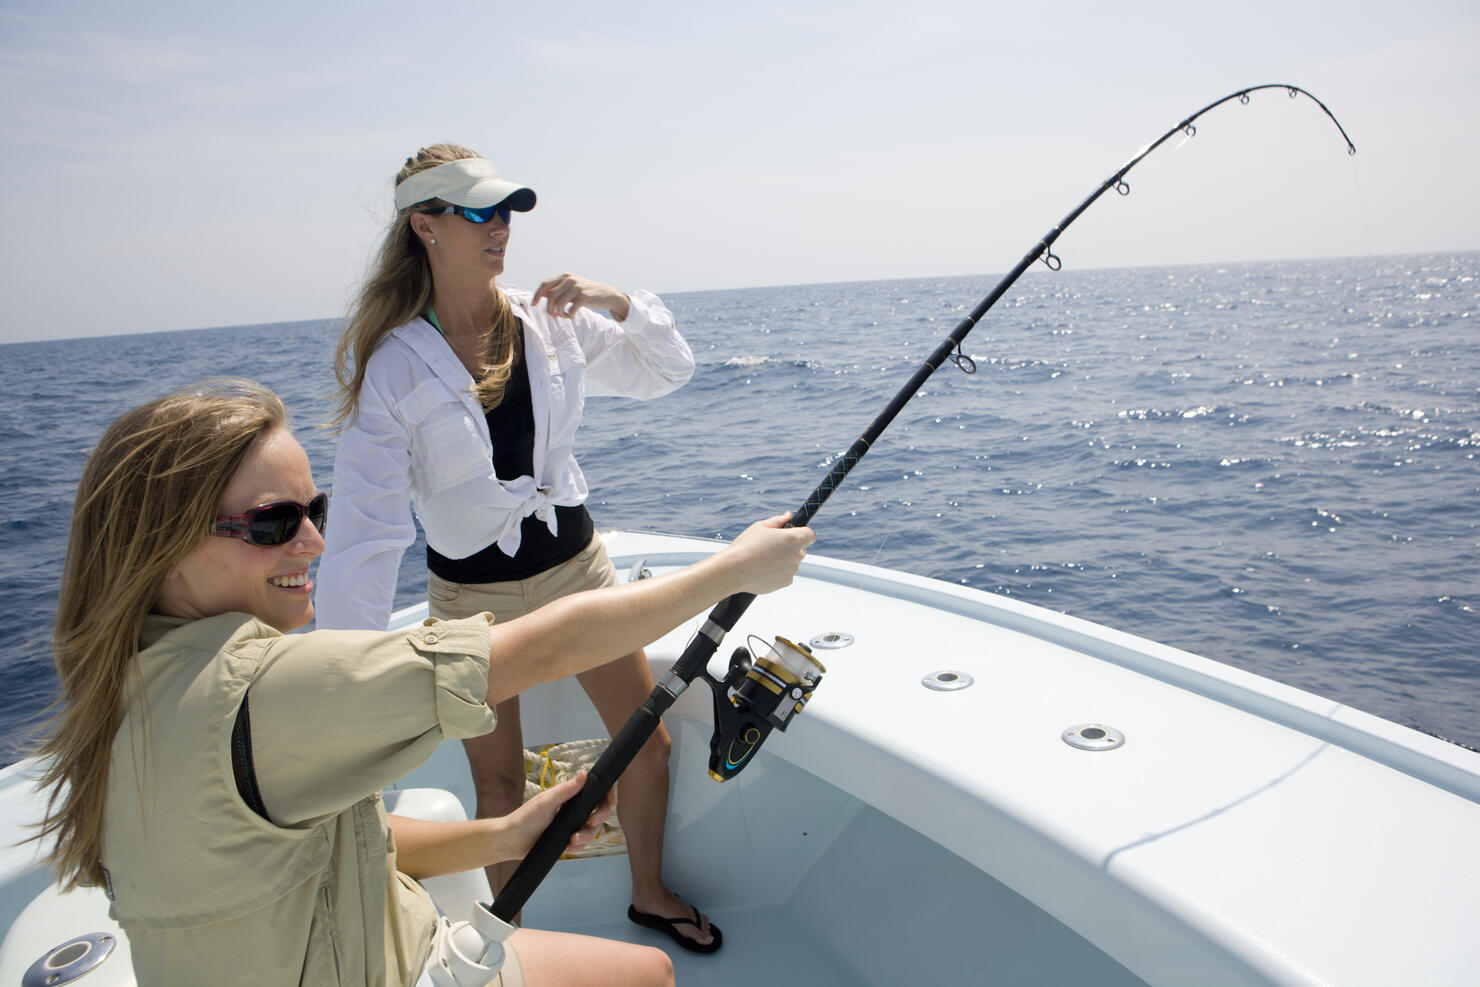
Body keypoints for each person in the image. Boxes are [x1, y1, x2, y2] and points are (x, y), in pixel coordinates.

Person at [30, 379, 814, 987]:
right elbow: (547, 644)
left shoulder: (125, 680)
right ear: (162, 546)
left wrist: (503, 837)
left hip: (342, 940)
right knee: (651, 972)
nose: (313, 539)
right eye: (273, 522)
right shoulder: (264, 687)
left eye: (317, 508)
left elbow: (334, 837)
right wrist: (734, 570)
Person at [316, 144, 718, 950]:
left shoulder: (552, 322)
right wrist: (337, 681)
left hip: (579, 575)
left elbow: (669, 369)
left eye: (506, 210)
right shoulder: (392, 369)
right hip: (471, 605)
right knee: (496, 782)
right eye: (477, 212)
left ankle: (649, 891)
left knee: (649, 744)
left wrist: (614, 300)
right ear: (424, 225)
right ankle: (513, 948)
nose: (499, 227)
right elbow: (364, 538)